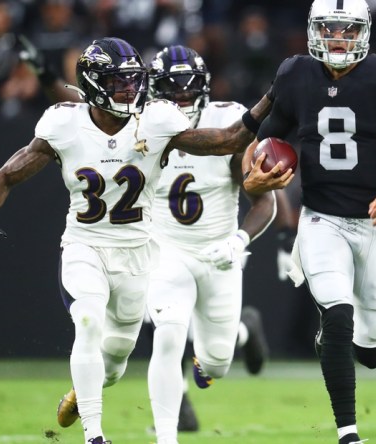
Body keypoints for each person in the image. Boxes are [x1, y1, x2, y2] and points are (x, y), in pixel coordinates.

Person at [0, 37, 270, 444]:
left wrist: (274, 95)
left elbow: (228, 141)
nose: (130, 90)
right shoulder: (64, 125)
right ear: (94, 85)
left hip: (138, 253)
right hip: (85, 245)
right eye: (118, 82)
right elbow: (5, 175)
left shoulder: (157, 119)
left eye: (133, 80)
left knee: (115, 361)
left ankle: (85, 388)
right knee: (91, 322)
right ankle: (96, 435)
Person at [242, 1, 376, 443]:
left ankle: (335, 344)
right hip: (322, 220)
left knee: (373, 350)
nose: (337, 38)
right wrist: (254, 180)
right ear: (313, 31)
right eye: (329, 29)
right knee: (338, 314)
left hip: (375, 224)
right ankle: (348, 433)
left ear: (363, 33)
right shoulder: (297, 75)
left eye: (346, 30)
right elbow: (264, 143)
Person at [144, 44, 276, 444]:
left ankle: (243, 331)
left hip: (219, 254)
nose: (183, 99)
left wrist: (239, 241)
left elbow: (264, 200)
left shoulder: (228, 121)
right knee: (167, 330)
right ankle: (168, 437)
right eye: (173, 91)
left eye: (189, 91)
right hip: (167, 250)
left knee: (215, 365)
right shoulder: (141, 125)